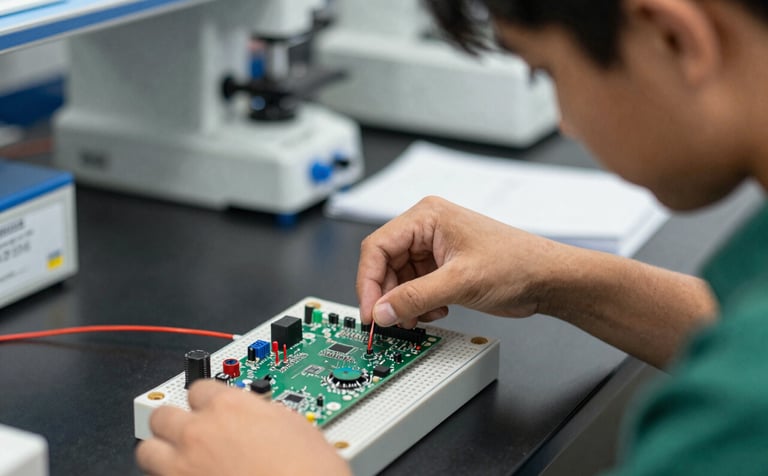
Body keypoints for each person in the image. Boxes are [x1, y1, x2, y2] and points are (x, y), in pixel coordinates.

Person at [135, 0, 768, 473]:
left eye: (545, 71)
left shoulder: (736, 411)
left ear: (672, 36)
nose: (567, 123)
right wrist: (554, 276)